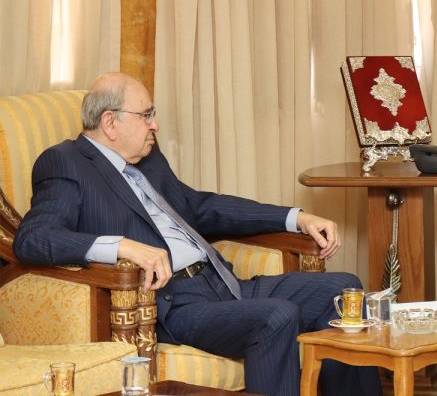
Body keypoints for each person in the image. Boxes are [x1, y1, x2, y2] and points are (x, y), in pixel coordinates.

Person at [13, 72, 383, 396]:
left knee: (343, 290)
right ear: (110, 122)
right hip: (175, 305)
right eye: (146, 115)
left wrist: (295, 218)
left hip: (223, 284)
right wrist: (121, 246)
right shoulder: (66, 162)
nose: (155, 125)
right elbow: (33, 238)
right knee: (276, 316)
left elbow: (202, 207)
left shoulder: (148, 159)